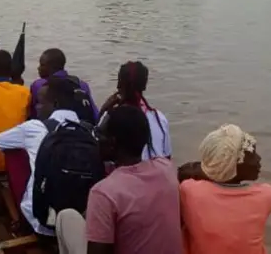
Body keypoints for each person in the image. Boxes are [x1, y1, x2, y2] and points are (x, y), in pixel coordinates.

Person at [55, 105, 183, 254]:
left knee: (66, 217)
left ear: (112, 143)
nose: (96, 139)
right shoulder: (167, 169)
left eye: (99, 134)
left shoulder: (104, 193)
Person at [0, 77, 97, 238]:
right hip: (82, 220)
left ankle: (19, 220)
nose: (37, 108)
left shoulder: (34, 127)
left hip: (43, 222)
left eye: (40, 103)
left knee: (14, 153)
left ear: (54, 104)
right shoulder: (89, 130)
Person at [179, 124, 271, 254]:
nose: (258, 159)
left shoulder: (190, 191)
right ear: (233, 164)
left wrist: (211, 170)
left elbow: (184, 171)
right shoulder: (266, 195)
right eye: (251, 155)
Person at [99, 61, 171, 159]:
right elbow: (167, 157)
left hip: (124, 172)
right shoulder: (159, 118)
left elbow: (97, 146)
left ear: (119, 85)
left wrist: (103, 110)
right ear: (144, 86)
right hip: (158, 172)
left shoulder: (111, 117)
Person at [29, 48, 98, 121]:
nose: (38, 68)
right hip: (80, 127)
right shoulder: (81, 84)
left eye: (42, 65)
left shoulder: (39, 85)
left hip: (52, 128)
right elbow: (94, 113)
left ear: (51, 67)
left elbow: (33, 114)